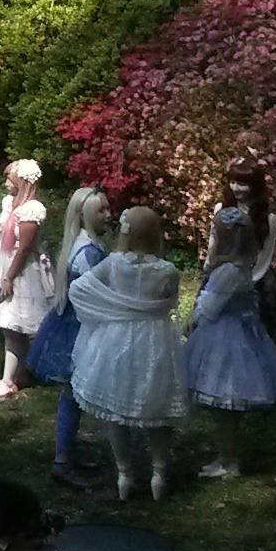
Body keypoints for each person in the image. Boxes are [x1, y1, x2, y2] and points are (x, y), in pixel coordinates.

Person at [68, 205, 185, 501]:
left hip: (116, 340)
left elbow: (80, 287)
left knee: (117, 411)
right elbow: (168, 301)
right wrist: (135, 308)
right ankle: (159, 474)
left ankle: (124, 474)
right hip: (155, 340)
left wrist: (110, 309)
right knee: (158, 409)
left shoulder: (114, 263)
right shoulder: (167, 270)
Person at [181, 206, 276, 477]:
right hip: (236, 333)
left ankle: (228, 460)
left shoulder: (228, 271)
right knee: (223, 409)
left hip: (225, 339)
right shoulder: (241, 266)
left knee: (224, 405)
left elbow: (210, 306)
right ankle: (225, 456)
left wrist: (190, 322)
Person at [26, 185, 114, 489]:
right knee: (74, 394)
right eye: (100, 210)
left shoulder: (80, 244)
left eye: (107, 208)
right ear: (84, 215)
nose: (108, 215)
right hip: (80, 331)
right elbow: (99, 295)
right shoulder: (88, 252)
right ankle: (62, 459)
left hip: (74, 325)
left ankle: (67, 454)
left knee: (73, 396)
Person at [0, 159, 56, 399]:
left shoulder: (32, 209)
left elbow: (24, 249)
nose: (5, 184)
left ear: (23, 182)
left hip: (21, 268)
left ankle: (9, 379)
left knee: (14, 324)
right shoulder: (9, 203)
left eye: (10, 180)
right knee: (10, 326)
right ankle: (18, 372)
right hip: (2, 259)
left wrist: (9, 277)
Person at [211, 157, 276, 357]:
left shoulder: (268, 218)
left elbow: (265, 254)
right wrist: (214, 272)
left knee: (258, 332)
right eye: (233, 182)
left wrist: (247, 279)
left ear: (255, 186)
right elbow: (215, 244)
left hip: (256, 278)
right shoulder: (221, 210)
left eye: (243, 183)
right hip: (224, 272)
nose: (236, 188)